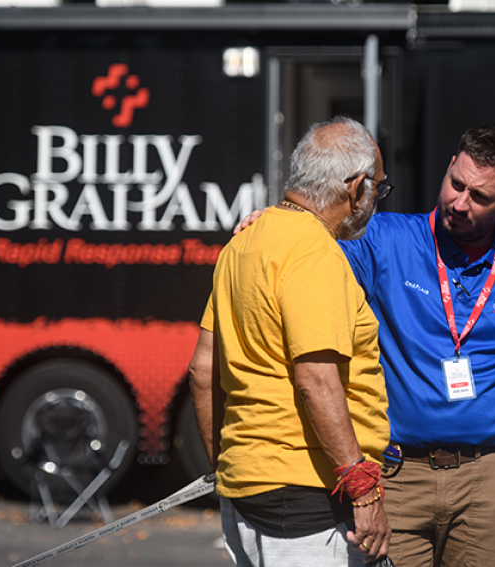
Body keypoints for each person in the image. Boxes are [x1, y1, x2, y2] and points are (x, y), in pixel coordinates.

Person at [236, 124, 495, 567]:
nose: (459, 203)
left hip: (489, 479)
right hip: (396, 475)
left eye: (480, 197)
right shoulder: (381, 239)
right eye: (455, 184)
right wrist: (276, 221)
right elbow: (309, 242)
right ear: (447, 169)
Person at [188, 117, 394, 566]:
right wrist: (362, 490)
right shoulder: (314, 253)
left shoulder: (241, 245)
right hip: (309, 499)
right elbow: (317, 380)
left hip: (246, 490)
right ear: (356, 188)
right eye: (379, 187)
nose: (376, 198)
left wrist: (230, 464)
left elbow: (203, 370)